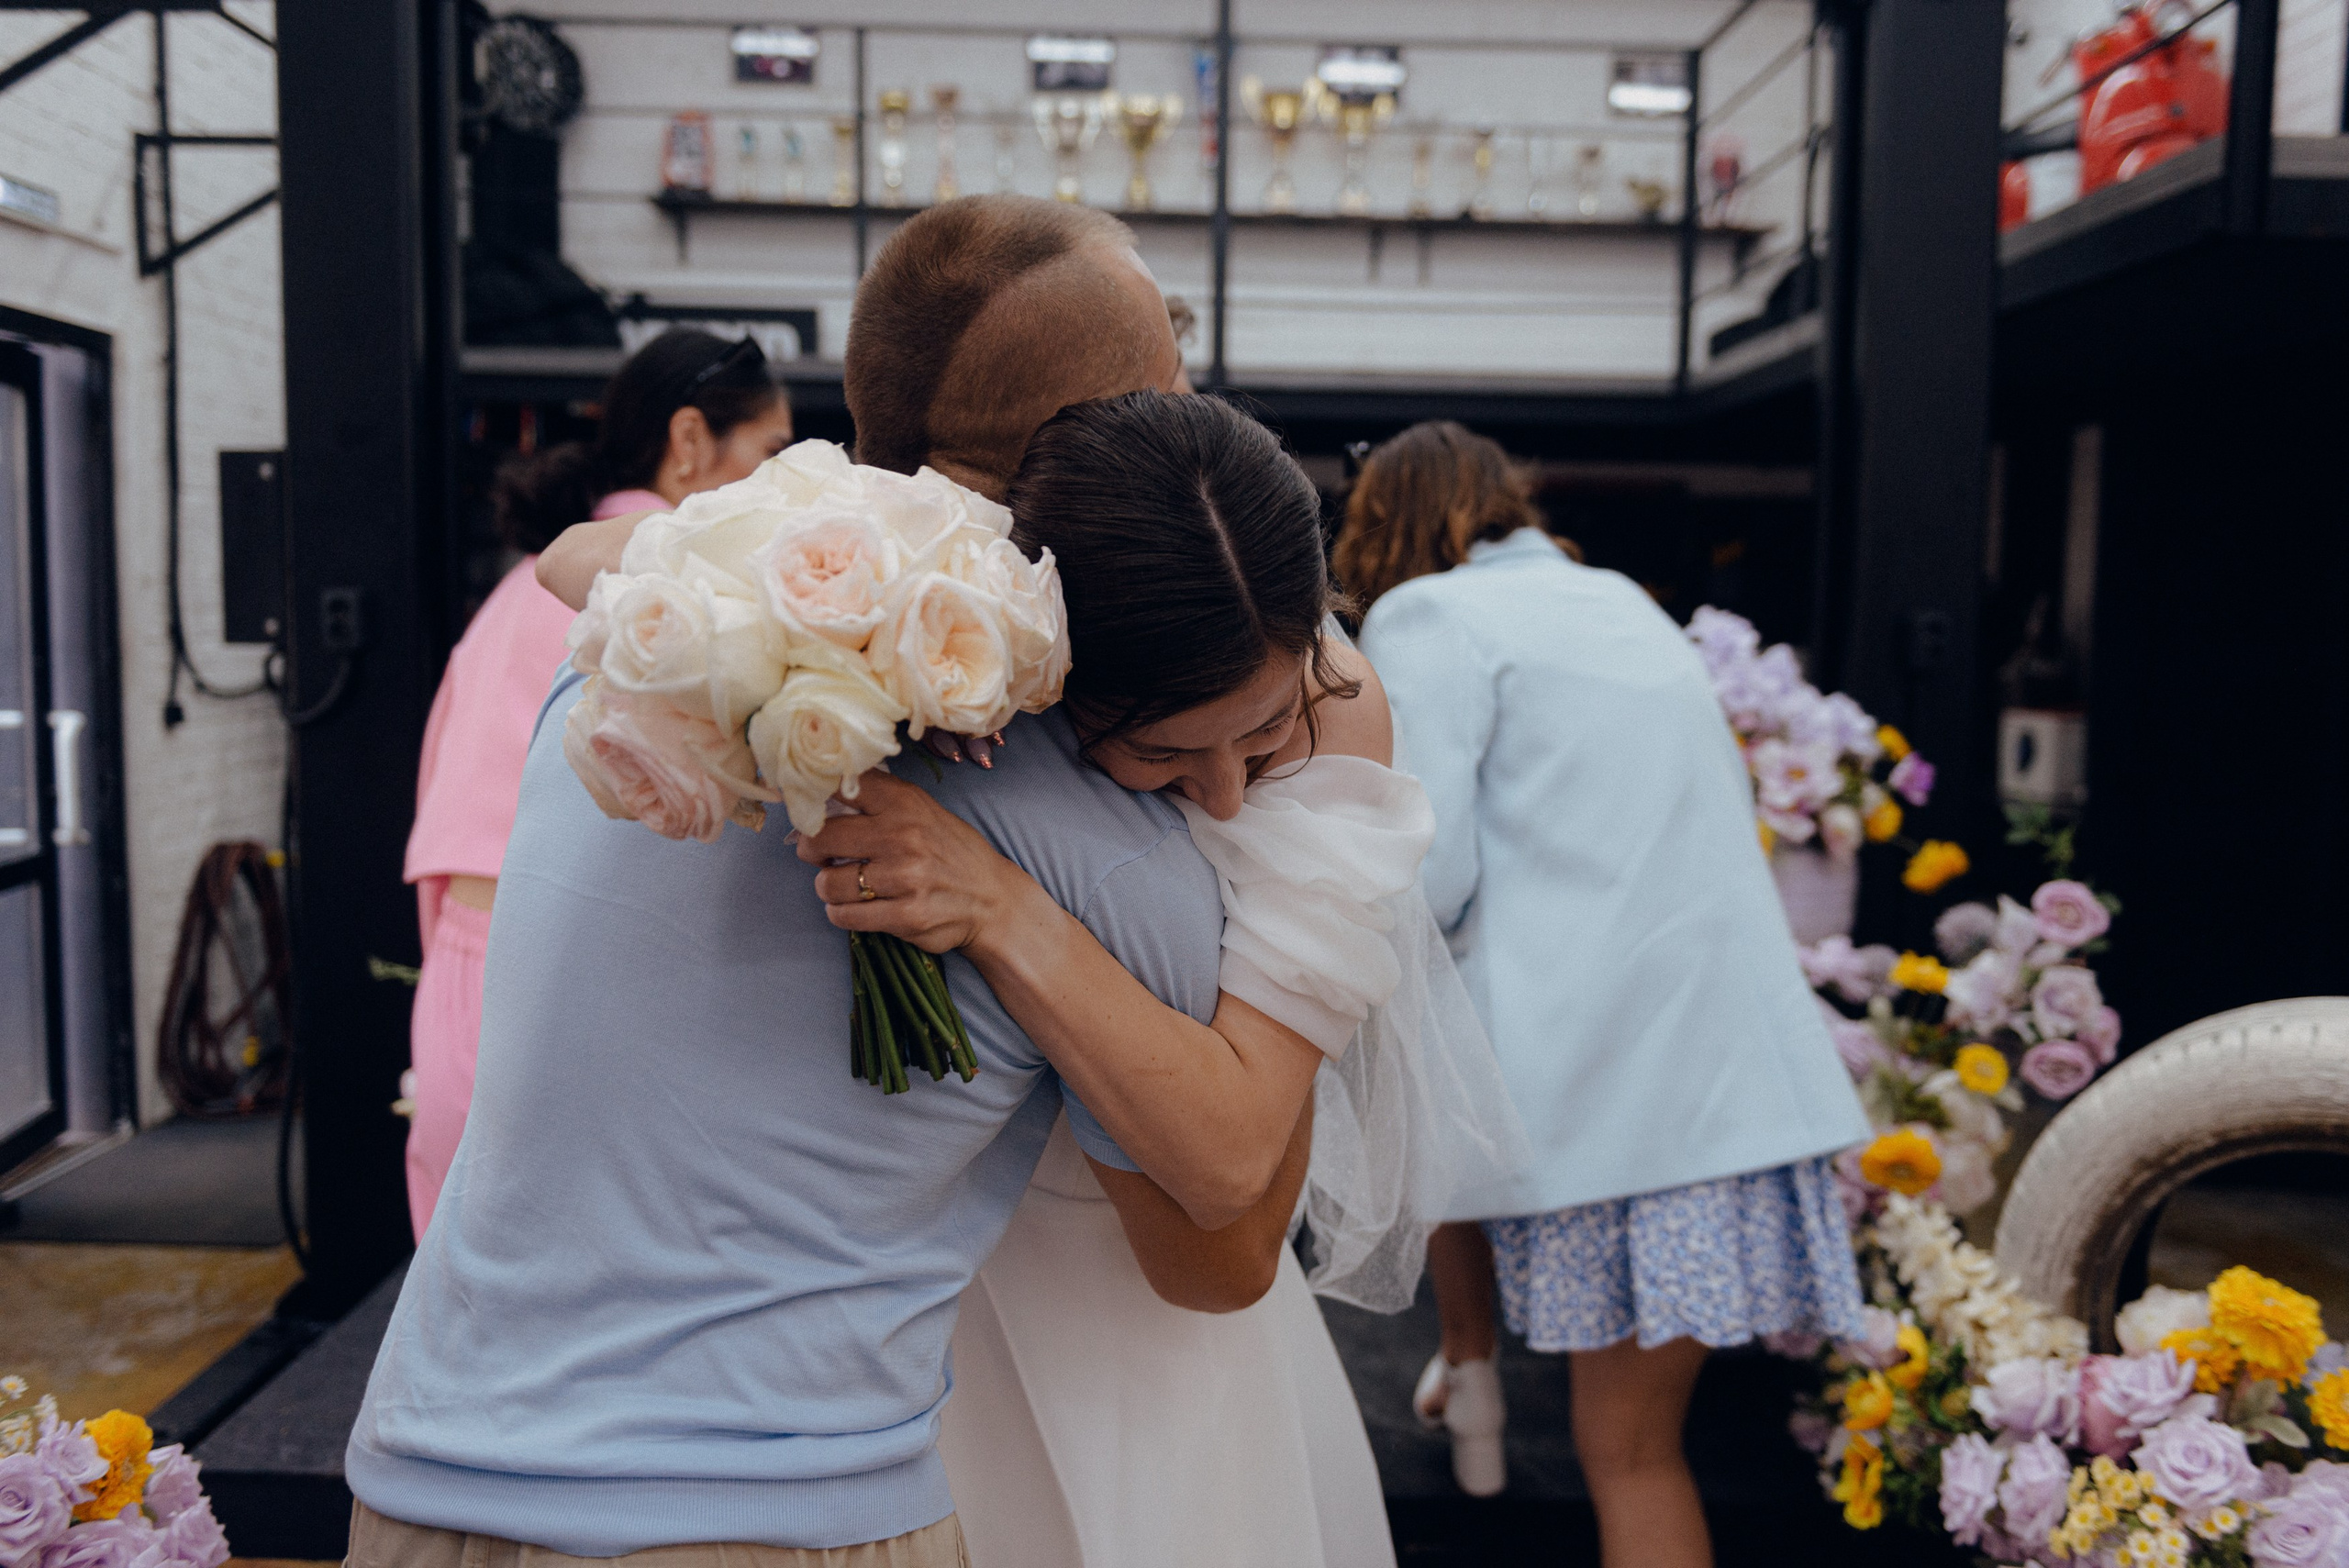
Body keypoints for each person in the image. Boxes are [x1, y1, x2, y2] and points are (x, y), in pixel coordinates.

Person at [347, 198, 1341, 1566]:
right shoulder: (1111, 827)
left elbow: (584, 569)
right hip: (769, 1514)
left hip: (416, 1473)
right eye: (1170, 398)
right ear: (1107, 456)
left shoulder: (625, 663)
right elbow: (1221, 1249)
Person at [1338, 422, 1872, 1568]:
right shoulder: (1622, 602)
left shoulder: (1428, 615)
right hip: (1731, 1086)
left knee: (1626, 1455)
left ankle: (1467, 1370)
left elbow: (1431, 873)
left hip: (1618, 1106)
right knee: (1644, 1441)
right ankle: (1469, 1374)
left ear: (1389, 521)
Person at [401, 329, 794, 1239]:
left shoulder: (514, 595)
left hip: (466, 973)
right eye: (770, 453)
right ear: (690, 441)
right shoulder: (658, 591)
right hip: (542, 984)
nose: (781, 486)